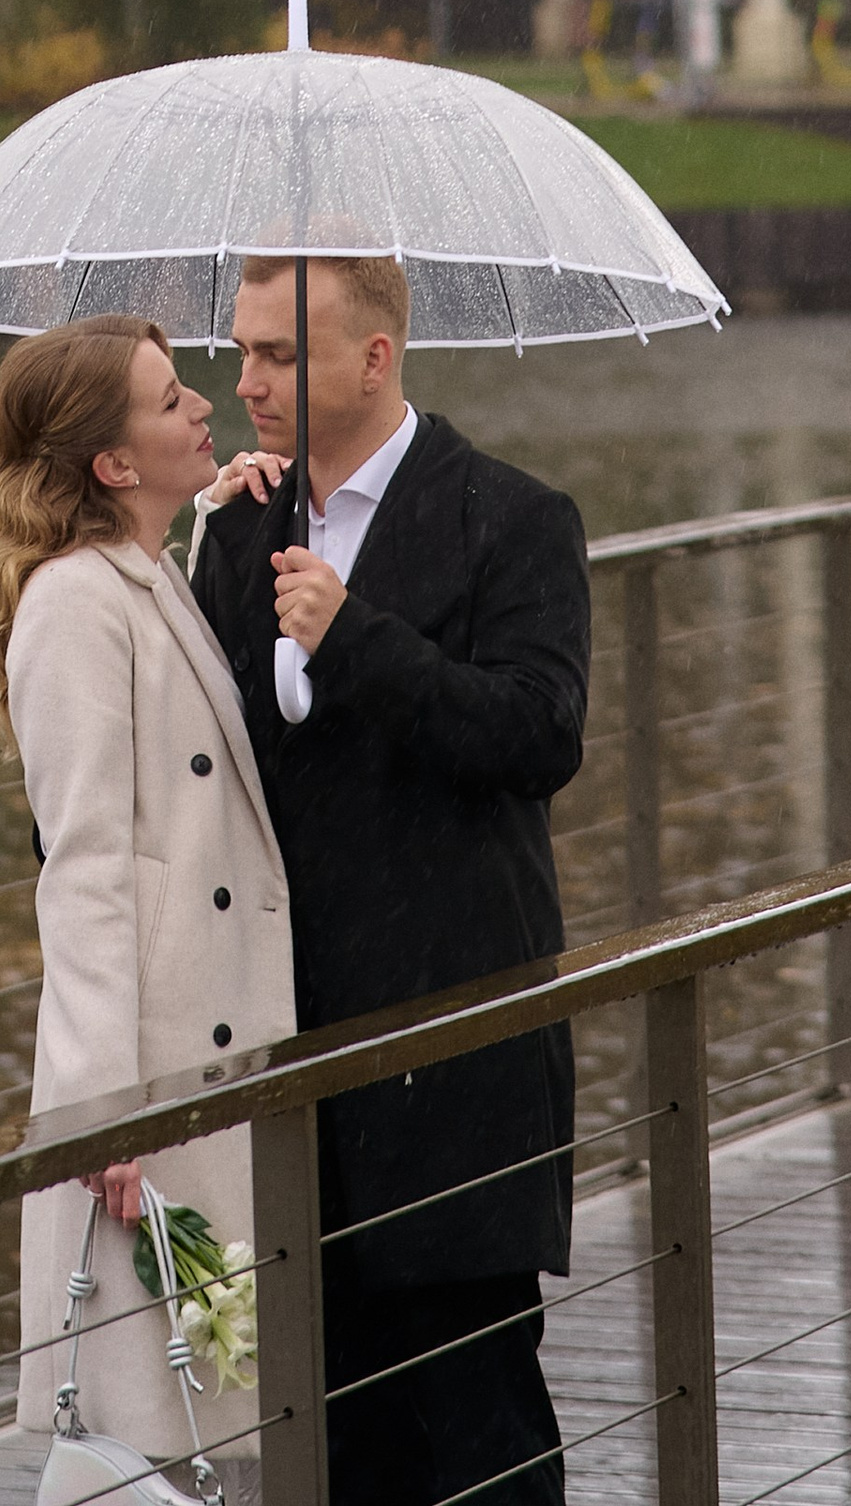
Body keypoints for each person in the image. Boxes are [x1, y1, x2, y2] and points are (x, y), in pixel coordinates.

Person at [188, 254, 589, 1506]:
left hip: (454, 1049)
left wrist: (354, 633)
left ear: (374, 357)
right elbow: (207, 769)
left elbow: (538, 733)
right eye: (242, 350)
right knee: (334, 1442)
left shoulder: (512, 516)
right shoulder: (240, 527)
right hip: (292, 1053)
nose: (247, 380)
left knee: (481, 1429)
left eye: (280, 354)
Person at [0, 314, 297, 1488]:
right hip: (145, 1084)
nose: (203, 404)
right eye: (167, 398)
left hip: (200, 1055)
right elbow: (87, 863)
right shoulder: (71, 602)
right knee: (156, 1431)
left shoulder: (145, 576)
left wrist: (221, 523)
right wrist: (106, 1110)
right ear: (110, 461)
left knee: (205, 1412)